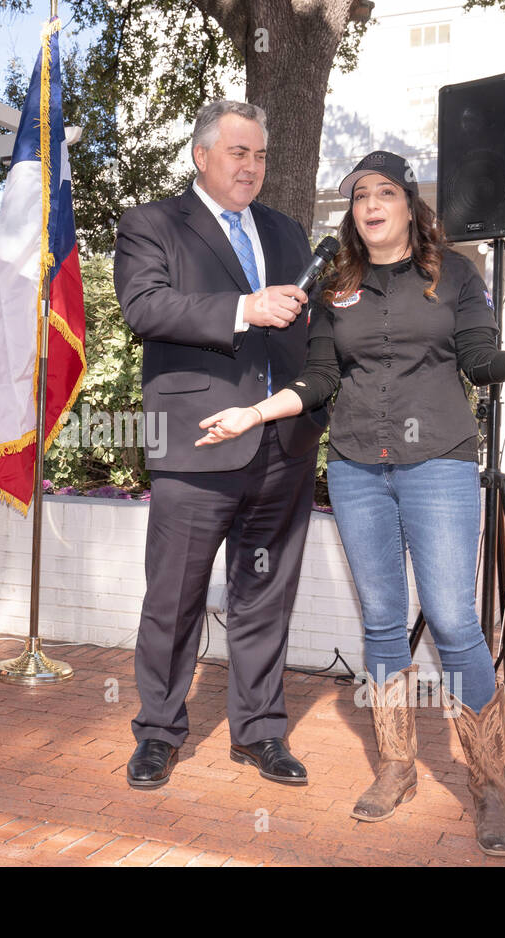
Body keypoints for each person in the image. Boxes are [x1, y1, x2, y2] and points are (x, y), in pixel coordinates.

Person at [196, 150, 505, 856]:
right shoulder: (337, 287)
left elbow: (481, 362)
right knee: (385, 621)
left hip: (440, 467)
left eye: (384, 191)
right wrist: (253, 414)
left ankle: (488, 784)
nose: (370, 203)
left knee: (455, 620)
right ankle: (396, 767)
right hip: (359, 468)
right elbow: (321, 377)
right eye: (359, 194)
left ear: (408, 204)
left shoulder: (454, 275)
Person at [113, 100, 329, 789]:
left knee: (264, 595)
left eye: (261, 155)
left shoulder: (288, 232)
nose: (252, 167)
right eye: (239, 152)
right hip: (197, 445)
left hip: (282, 447)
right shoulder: (151, 224)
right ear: (201, 155)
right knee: (173, 597)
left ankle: (261, 731)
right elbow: (144, 307)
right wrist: (243, 308)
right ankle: (157, 731)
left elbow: (313, 327)